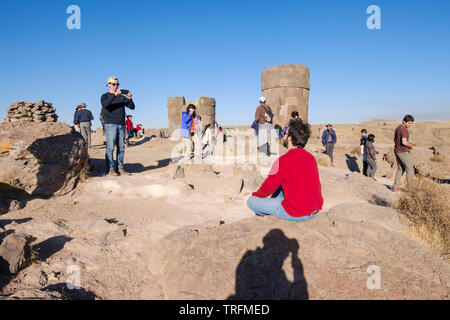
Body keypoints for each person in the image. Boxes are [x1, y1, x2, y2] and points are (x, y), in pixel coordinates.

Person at [247, 119, 323, 222]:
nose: (284, 135)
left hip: (297, 212)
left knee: (251, 201)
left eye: (285, 133)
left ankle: (270, 215)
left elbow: (267, 188)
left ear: (290, 138)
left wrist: (255, 196)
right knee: (281, 184)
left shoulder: (283, 161)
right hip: (314, 209)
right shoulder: (311, 158)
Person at [100, 76, 135, 176]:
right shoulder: (105, 96)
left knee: (121, 148)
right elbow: (106, 104)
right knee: (110, 148)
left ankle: (121, 168)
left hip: (121, 125)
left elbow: (132, 107)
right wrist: (115, 95)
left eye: (117, 84)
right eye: (114, 84)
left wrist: (130, 98)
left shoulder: (121, 97)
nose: (116, 86)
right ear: (109, 85)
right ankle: (110, 169)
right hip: (110, 124)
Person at [392, 115, 415, 192]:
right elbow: (404, 142)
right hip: (403, 151)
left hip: (397, 150)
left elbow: (395, 139)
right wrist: (411, 146)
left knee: (400, 169)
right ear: (404, 122)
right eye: (409, 123)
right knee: (410, 169)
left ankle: (395, 187)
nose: (410, 125)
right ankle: (410, 188)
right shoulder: (404, 129)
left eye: (411, 123)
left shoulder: (398, 128)